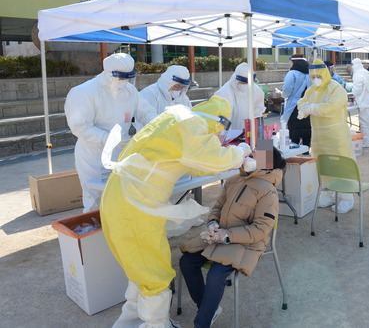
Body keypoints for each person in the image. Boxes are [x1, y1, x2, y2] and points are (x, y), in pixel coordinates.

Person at [100, 96, 252, 328]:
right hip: (134, 208)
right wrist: (240, 152)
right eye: (221, 131)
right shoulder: (192, 129)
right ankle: (155, 323)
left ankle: (132, 319)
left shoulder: (174, 119)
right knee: (154, 269)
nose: (219, 136)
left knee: (137, 263)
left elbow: (187, 160)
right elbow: (216, 161)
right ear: (218, 123)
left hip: (116, 198)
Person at [179, 145, 286, 328]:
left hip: (245, 244)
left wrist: (226, 236)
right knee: (186, 262)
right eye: (250, 153)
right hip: (218, 237)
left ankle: (201, 322)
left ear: (266, 166)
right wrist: (213, 224)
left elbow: (260, 230)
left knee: (216, 274)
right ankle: (207, 309)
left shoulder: (268, 191)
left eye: (253, 155)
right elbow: (218, 207)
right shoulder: (233, 180)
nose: (247, 156)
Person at [64, 53, 156, 213]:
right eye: (120, 78)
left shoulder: (129, 90)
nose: (123, 82)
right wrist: (111, 139)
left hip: (121, 154)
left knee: (120, 199)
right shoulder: (84, 92)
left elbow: (145, 112)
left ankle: (117, 235)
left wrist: (157, 124)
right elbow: (80, 127)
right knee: (96, 200)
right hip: (93, 158)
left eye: (128, 78)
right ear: (107, 73)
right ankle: (94, 236)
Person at [297, 59, 354, 213]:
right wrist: (303, 109)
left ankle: (346, 198)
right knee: (323, 167)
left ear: (325, 74)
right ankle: (328, 194)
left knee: (341, 166)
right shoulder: (311, 90)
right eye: (313, 76)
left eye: (319, 76)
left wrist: (312, 108)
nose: (316, 79)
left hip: (336, 136)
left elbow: (332, 107)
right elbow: (302, 102)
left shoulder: (336, 89)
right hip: (318, 136)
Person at [214, 62, 265, 129]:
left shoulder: (256, 91)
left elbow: (258, 112)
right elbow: (220, 118)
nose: (245, 85)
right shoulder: (224, 93)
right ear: (236, 79)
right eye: (242, 83)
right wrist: (229, 132)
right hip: (230, 134)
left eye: (247, 83)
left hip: (249, 133)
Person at [281, 54, 312, 146]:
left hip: (294, 107)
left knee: (295, 133)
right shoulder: (311, 72)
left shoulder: (292, 73)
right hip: (308, 106)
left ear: (293, 62)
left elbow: (286, 91)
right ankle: (306, 154)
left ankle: (296, 154)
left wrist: (283, 95)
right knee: (307, 131)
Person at [351, 58, 369, 148]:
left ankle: (366, 143)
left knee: (364, 124)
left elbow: (357, 90)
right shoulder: (366, 72)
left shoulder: (358, 74)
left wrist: (350, 89)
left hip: (365, 102)